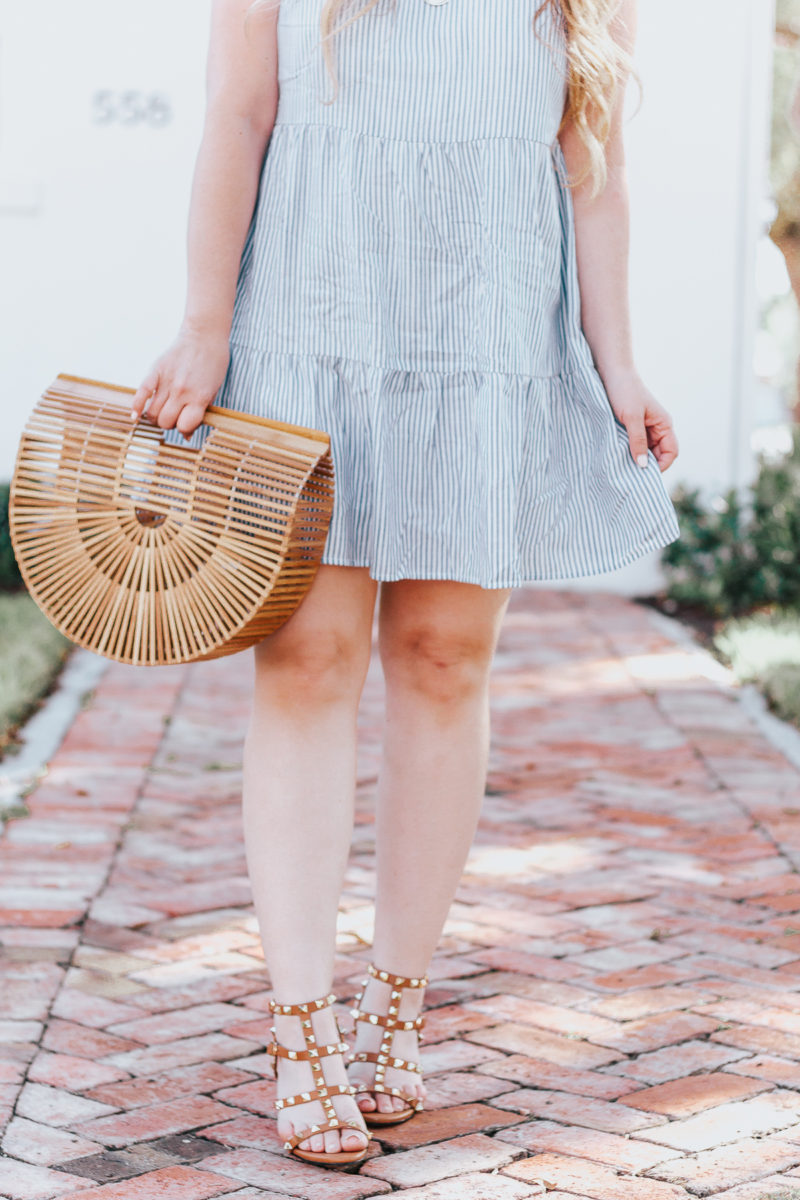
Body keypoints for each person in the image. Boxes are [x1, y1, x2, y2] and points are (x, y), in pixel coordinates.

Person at [131, 0, 680, 1172]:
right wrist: (203, 325)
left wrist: (617, 362)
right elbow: (237, 115)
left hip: (482, 334)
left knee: (443, 661)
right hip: (305, 323)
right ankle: (298, 1027)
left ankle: (395, 1002)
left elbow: (592, 167)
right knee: (310, 662)